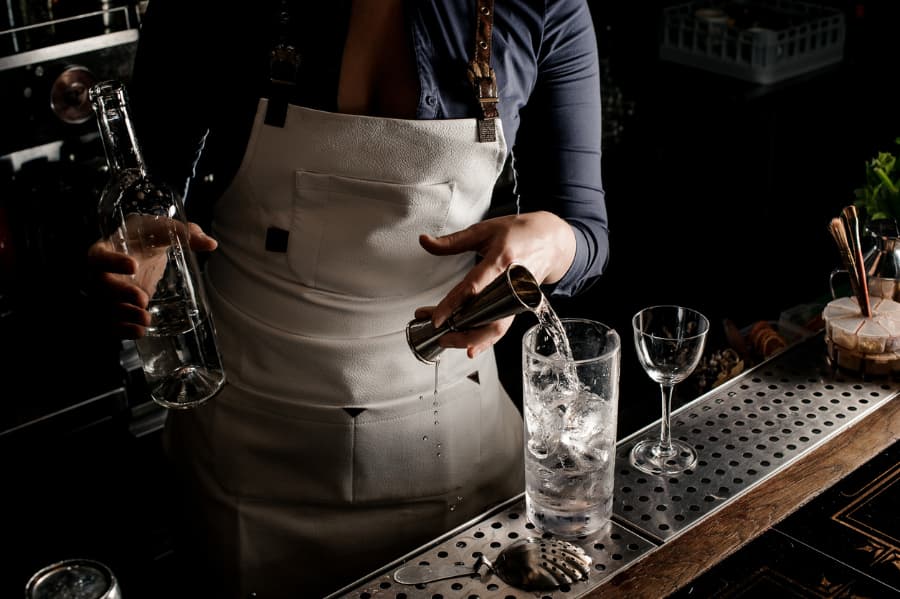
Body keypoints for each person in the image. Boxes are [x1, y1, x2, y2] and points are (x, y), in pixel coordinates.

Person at [85, 0, 609, 596]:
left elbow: (587, 233)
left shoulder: (543, 6)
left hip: (456, 454)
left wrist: (552, 245)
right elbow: (142, 191)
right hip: (245, 456)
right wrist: (136, 251)